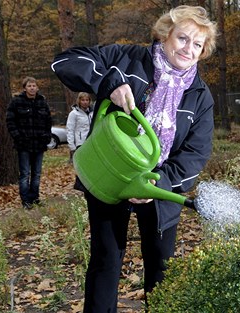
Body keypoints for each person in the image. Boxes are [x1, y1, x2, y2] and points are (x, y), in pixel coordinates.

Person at [51, 5, 217, 312]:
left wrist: (159, 181)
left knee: (162, 266)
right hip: (110, 174)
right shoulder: (126, 59)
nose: (188, 48)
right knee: (106, 259)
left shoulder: (200, 95)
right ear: (165, 35)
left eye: (197, 44)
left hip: (159, 186)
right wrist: (109, 83)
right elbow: (64, 62)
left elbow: (196, 153)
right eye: (183, 38)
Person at [6, 76, 52, 209]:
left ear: (37, 88)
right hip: (24, 145)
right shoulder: (16, 102)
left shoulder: (42, 102)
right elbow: (10, 121)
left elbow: (48, 121)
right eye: (29, 86)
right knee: (25, 174)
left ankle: (35, 198)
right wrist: (18, 137)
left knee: (36, 174)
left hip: (39, 144)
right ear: (25, 88)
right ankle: (26, 201)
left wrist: (46, 136)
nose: (32, 88)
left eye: (34, 86)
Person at [66, 92, 93, 163]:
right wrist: (72, 146)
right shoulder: (74, 114)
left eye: (87, 100)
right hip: (80, 143)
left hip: (91, 142)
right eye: (83, 100)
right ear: (79, 101)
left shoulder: (92, 113)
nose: (85, 102)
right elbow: (70, 130)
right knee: (82, 163)